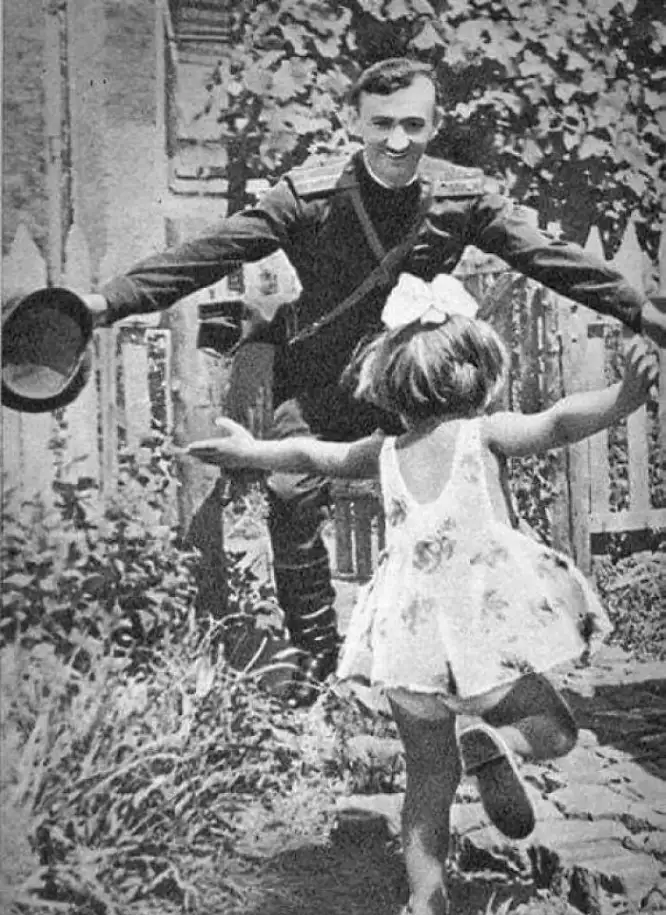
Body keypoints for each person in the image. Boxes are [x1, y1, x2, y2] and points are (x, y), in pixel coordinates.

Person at [82, 56, 666, 700]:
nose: (396, 141)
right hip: (321, 380)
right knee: (290, 488)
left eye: (412, 125)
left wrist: (637, 309)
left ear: (434, 124)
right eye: (381, 123)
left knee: (452, 502)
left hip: (410, 382)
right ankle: (319, 663)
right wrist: (106, 305)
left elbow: (545, 256)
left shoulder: (458, 198)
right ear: (354, 122)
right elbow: (210, 253)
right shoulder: (306, 198)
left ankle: (460, 657)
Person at [184, 273, 657, 915]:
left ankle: (427, 907)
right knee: (554, 730)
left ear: (391, 384)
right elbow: (558, 423)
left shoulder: (383, 453)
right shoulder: (486, 435)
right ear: (480, 375)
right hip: (480, 622)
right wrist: (625, 396)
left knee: (427, 782)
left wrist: (247, 452)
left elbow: (308, 451)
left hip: (408, 635)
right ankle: (502, 744)